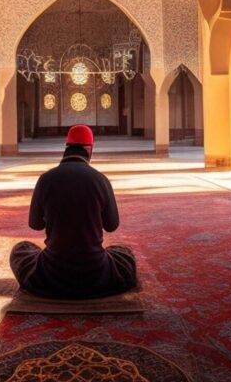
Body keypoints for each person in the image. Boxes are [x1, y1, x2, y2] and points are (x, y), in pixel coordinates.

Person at [9, 125, 137, 299]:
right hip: (97, 273)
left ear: (66, 148)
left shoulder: (45, 179)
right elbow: (112, 225)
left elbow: (35, 224)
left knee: (20, 250)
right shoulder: (100, 179)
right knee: (124, 253)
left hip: (50, 274)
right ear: (88, 149)